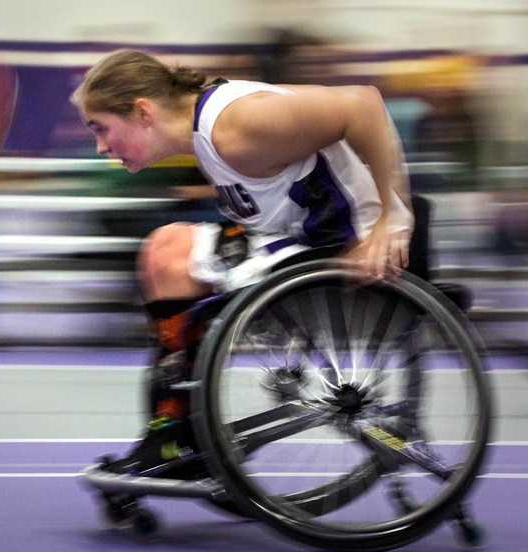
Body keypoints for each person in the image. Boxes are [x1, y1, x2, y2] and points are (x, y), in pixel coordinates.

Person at [71, 49, 415, 476]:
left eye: (101, 129)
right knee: (167, 251)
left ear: (142, 112)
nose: (101, 146)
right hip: (296, 242)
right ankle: (175, 430)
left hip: (342, 249)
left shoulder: (235, 127)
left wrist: (392, 217)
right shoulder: (210, 123)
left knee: (170, 253)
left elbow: (363, 104)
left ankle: (178, 435)